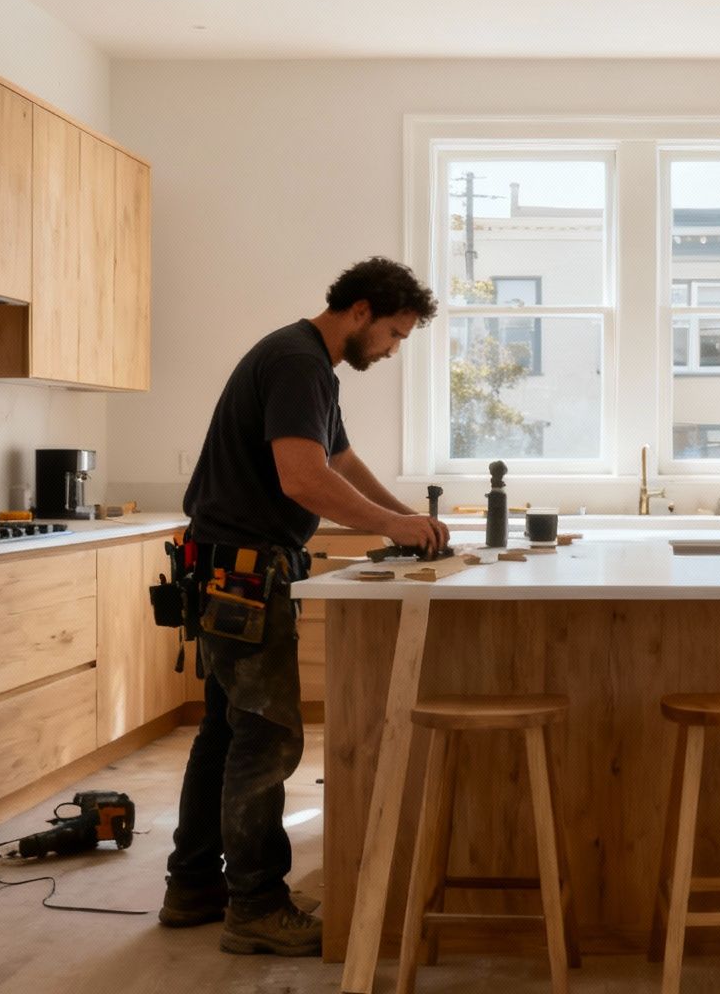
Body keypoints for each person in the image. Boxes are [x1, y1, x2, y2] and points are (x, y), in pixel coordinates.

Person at [160, 257, 449, 956]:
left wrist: (408, 518)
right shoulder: (297, 363)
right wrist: (391, 527)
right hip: (243, 572)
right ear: (360, 312)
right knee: (269, 737)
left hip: (228, 568)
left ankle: (194, 884)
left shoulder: (309, 365)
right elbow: (302, 479)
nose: (392, 348)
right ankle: (256, 906)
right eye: (394, 333)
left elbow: (340, 461)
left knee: (228, 732)